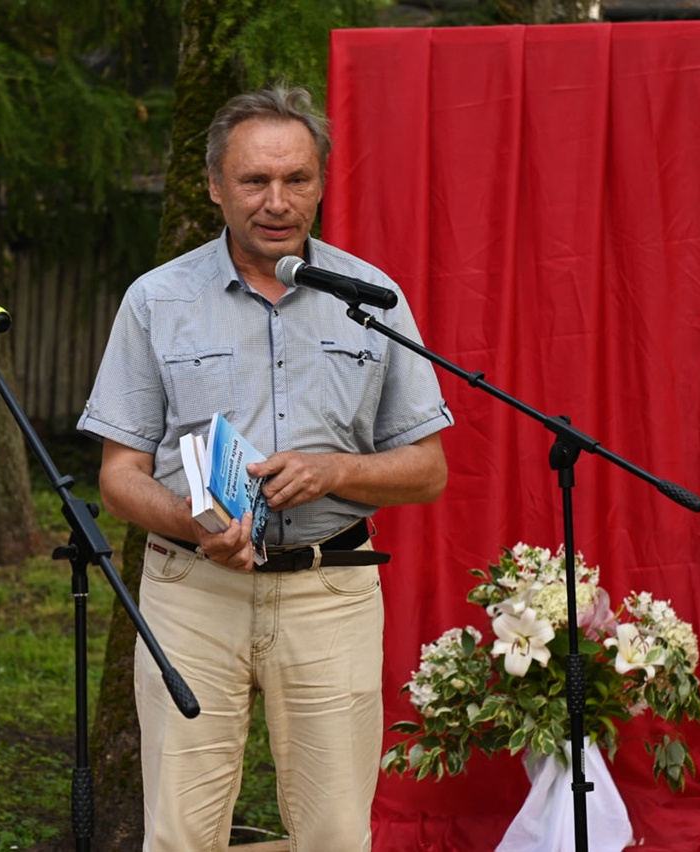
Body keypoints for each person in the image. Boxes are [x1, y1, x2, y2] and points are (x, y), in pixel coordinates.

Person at [77, 85, 453, 851]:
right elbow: (119, 476)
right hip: (192, 592)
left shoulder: (372, 299)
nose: (277, 201)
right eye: (254, 180)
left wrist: (334, 472)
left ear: (321, 182)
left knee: (335, 834)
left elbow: (428, 470)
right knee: (181, 835)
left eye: (296, 179)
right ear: (215, 185)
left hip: (330, 592)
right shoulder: (157, 300)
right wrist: (195, 524)